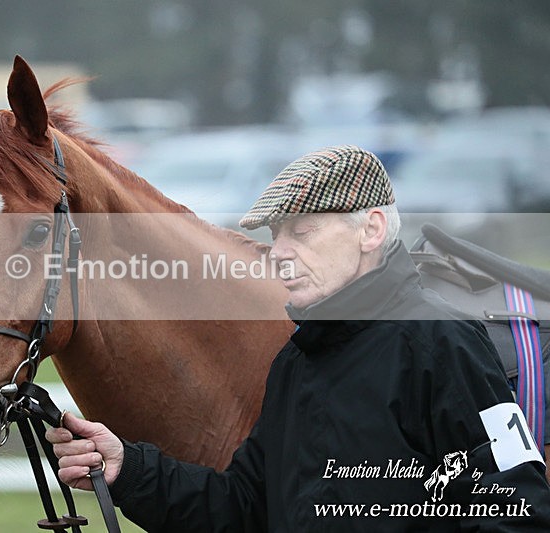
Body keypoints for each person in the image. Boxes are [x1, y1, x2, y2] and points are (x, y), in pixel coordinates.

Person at [47, 145, 550, 531]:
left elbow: (519, 509)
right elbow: (243, 508)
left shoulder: (440, 344)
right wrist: (126, 468)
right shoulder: (296, 361)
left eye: (302, 232)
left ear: (371, 230)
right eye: (276, 235)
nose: (279, 253)